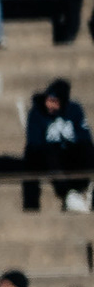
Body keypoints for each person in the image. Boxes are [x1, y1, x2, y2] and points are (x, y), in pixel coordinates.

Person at [27, 78, 92, 214]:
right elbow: (34, 143)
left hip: (69, 154)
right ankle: (68, 194)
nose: (50, 105)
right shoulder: (37, 113)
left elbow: (84, 137)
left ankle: (87, 190)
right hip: (47, 156)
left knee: (86, 149)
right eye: (48, 100)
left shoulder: (74, 110)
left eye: (54, 101)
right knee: (50, 153)